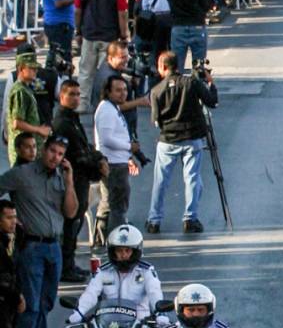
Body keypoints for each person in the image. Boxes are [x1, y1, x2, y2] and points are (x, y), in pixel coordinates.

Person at [0, 136, 78, 328]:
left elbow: (71, 212)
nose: (55, 157)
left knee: (46, 303)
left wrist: (69, 180)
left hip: (54, 247)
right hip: (31, 246)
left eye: (60, 154)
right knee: (31, 304)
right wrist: (7, 219)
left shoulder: (60, 177)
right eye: (52, 151)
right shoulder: (22, 174)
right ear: (43, 150)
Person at [147, 51, 218, 235]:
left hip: (167, 140)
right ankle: (190, 219)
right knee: (192, 179)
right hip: (192, 138)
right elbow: (212, 101)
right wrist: (210, 83)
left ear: (162, 67)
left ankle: (154, 220)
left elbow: (156, 120)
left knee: (160, 181)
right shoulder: (192, 83)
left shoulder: (156, 90)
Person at [51, 80, 108, 283]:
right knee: (70, 224)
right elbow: (76, 155)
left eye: (78, 94)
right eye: (72, 94)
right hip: (72, 180)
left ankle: (69, 264)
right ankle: (65, 268)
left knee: (75, 225)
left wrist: (99, 158)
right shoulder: (62, 123)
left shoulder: (72, 119)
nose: (76, 98)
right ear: (62, 96)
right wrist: (98, 164)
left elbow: (85, 147)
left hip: (81, 179)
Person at [76, 0, 129, 111]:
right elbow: (122, 13)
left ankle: (82, 103)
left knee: (85, 72)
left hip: (89, 35)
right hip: (109, 37)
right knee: (105, 73)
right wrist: (123, 34)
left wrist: (78, 31)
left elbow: (78, 11)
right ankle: (102, 104)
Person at [94, 75, 140, 236]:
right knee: (117, 207)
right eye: (118, 90)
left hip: (118, 162)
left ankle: (101, 236)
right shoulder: (106, 110)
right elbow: (106, 139)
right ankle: (116, 239)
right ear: (108, 92)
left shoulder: (113, 108)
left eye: (125, 89)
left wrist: (128, 156)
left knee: (109, 203)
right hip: (113, 164)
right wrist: (129, 147)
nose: (123, 93)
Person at [6, 53, 51, 166]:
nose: (35, 71)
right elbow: (17, 123)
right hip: (23, 153)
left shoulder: (26, 88)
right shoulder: (20, 91)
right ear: (21, 68)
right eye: (31, 68)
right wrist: (38, 130)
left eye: (36, 68)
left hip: (29, 151)